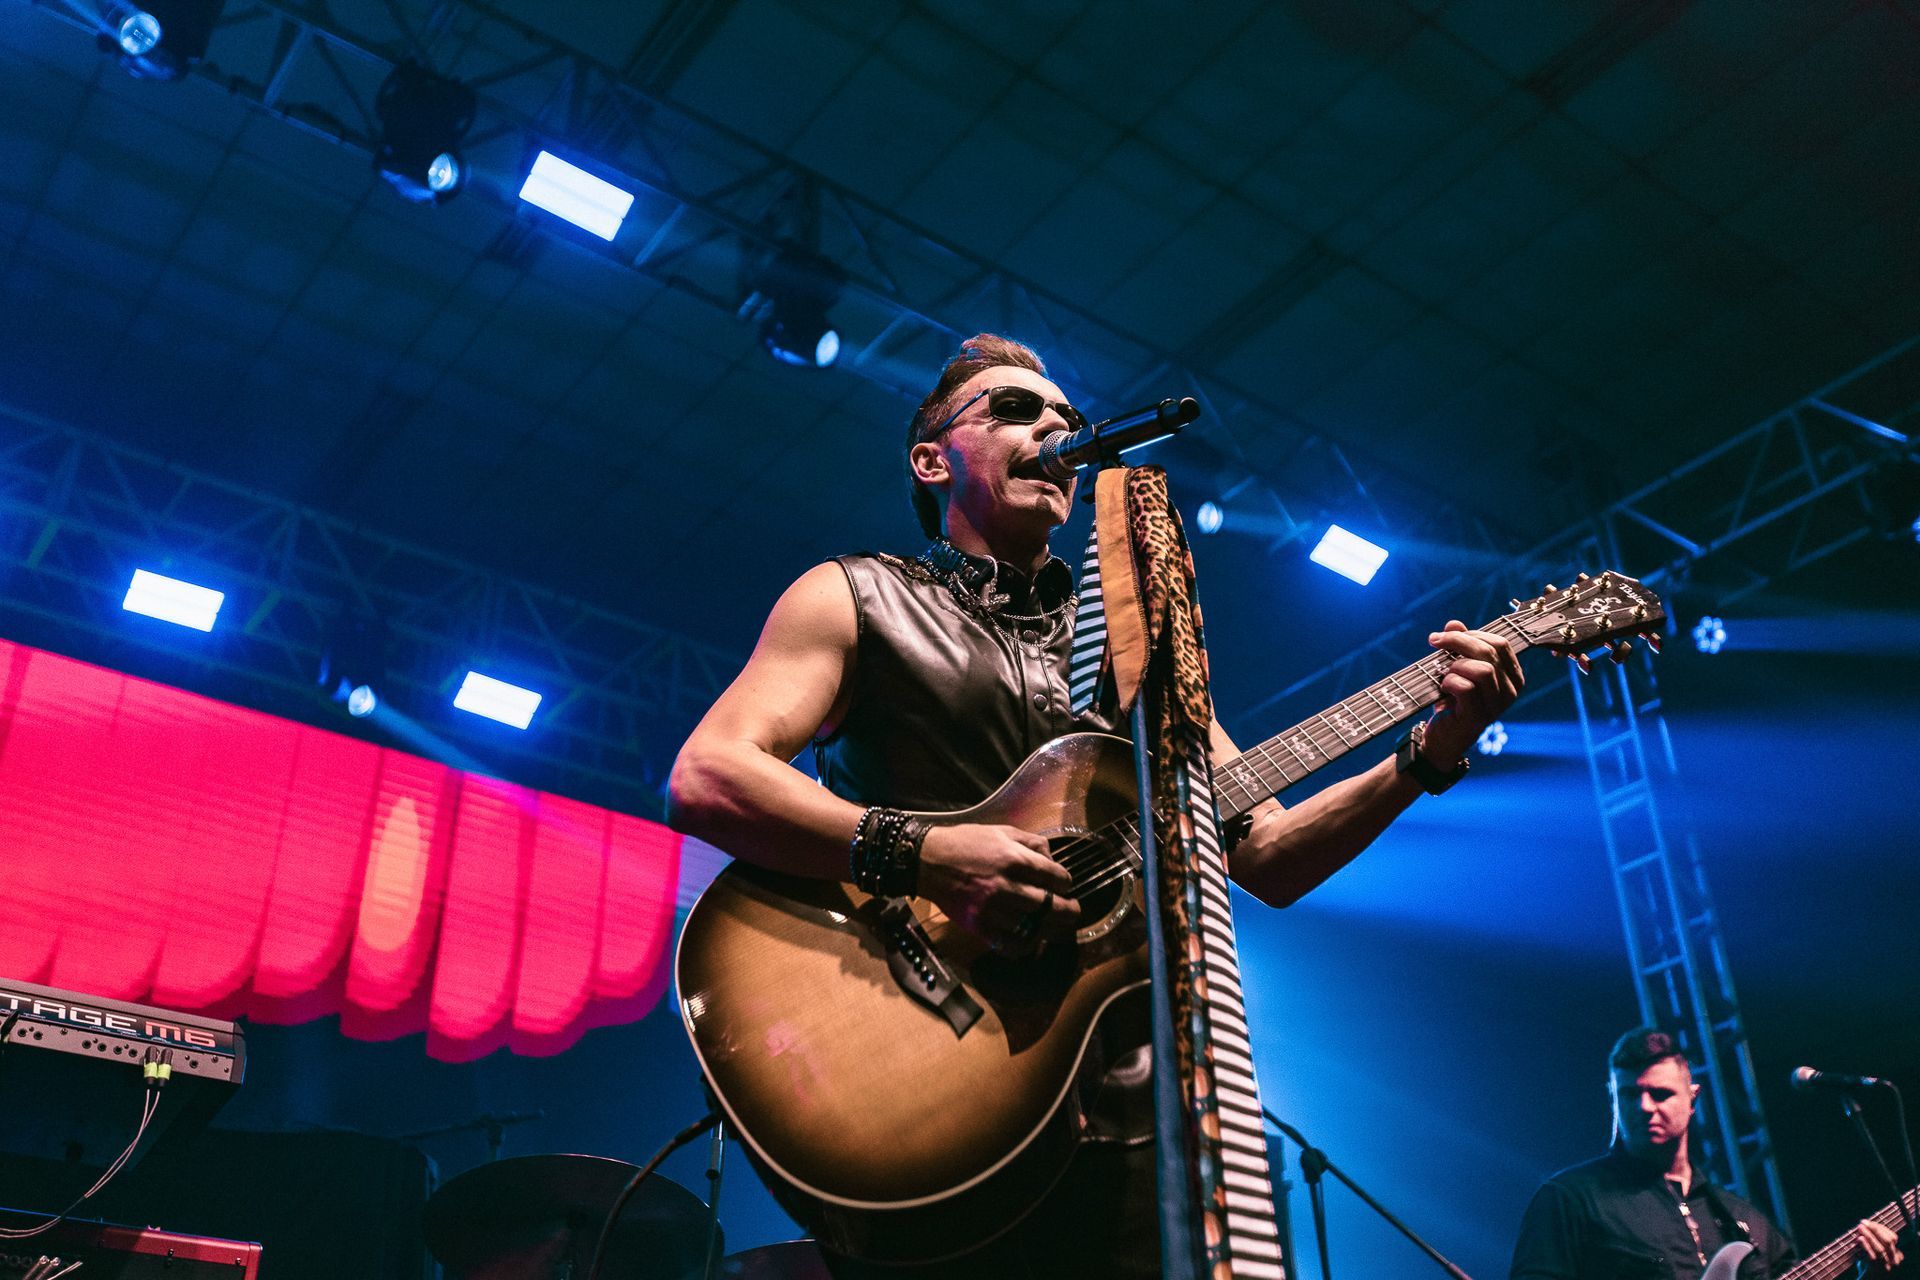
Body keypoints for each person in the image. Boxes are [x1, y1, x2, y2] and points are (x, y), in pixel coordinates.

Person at [667, 333, 1523, 1277]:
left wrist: (1428, 751)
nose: (1056, 430)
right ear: (931, 459)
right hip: (927, 1085)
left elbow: (1269, 853)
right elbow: (710, 776)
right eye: (1016, 410)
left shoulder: (1135, 650)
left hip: (1132, 1123)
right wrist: (931, 855)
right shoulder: (855, 595)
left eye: (1068, 420)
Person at [1510, 1027, 1906, 1279]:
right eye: (1630, 1095)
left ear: (1692, 1098)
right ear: (1613, 1099)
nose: (1645, 1106)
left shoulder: (1742, 1219)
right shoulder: (1571, 1200)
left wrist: (1867, 1276)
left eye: (1661, 1094)